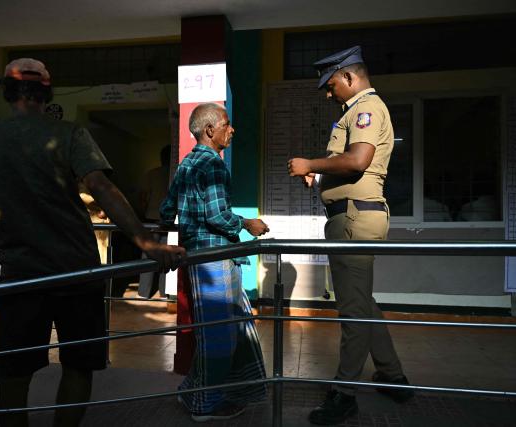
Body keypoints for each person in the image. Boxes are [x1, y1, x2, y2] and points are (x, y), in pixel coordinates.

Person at [0, 58, 185, 427]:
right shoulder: (69, 134)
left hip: (22, 275)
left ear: (8, 93)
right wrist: (146, 242)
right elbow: (102, 188)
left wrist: (3, 247)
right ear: (47, 92)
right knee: (78, 365)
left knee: (15, 371)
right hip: (78, 271)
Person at [287, 46, 414, 425]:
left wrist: (310, 163)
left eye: (330, 85)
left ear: (349, 77)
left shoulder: (365, 108)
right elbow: (349, 164)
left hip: (355, 219)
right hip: (350, 218)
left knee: (353, 311)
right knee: (361, 302)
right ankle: (393, 376)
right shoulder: (355, 110)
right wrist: (322, 174)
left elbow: (359, 160)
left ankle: (345, 394)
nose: (328, 93)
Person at [159, 103, 269, 422]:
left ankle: (197, 391)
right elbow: (217, 215)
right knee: (221, 335)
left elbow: (168, 209)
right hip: (215, 260)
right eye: (227, 124)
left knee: (214, 331)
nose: (231, 130)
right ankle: (205, 404)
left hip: (196, 257)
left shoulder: (187, 163)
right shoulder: (214, 165)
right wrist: (248, 224)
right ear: (210, 130)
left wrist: (172, 227)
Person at [138, 144, 171, 298]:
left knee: (148, 254)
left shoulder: (151, 174)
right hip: (169, 221)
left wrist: (143, 213)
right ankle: (164, 292)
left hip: (151, 218)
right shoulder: (174, 174)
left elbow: (143, 198)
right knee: (166, 254)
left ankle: (143, 293)